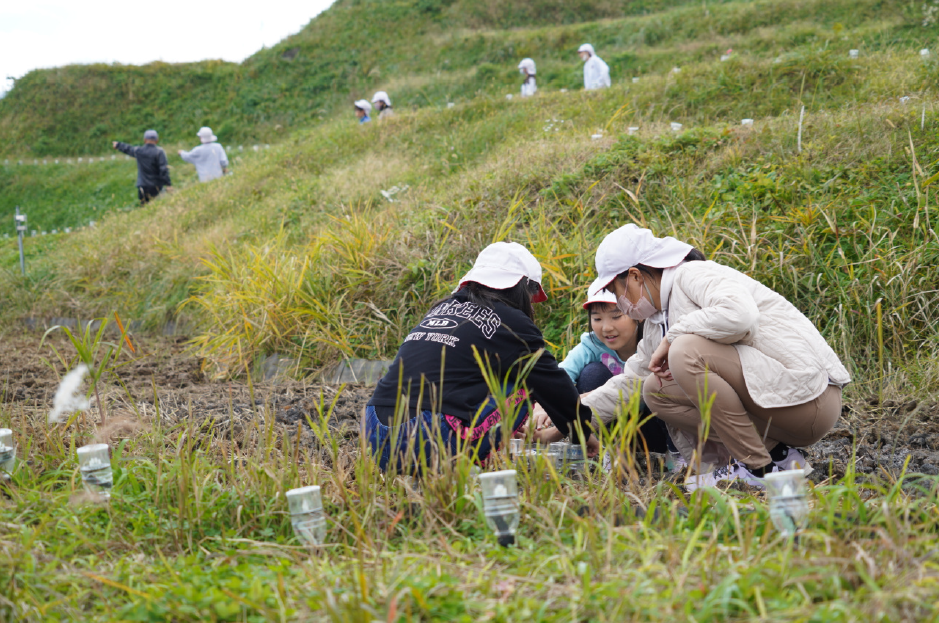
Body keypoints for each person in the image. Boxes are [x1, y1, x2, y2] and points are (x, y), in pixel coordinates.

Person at [581, 224, 851, 490]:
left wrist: (674, 335)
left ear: (636, 276)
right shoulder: (655, 322)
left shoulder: (692, 275)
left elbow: (741, 315)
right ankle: (780, 457)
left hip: (810, 397)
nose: (619, 301)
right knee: (656, 389)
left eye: (616, 290)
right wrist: (570, 417)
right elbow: (632, 381)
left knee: (685, 351)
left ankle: (757, 469)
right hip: (776, 413)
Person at [365, 242, 599, 474]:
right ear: (521, 288)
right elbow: (551, 382)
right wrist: (582, 431)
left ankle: (424, 474)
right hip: (427, 439)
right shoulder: (509, 320)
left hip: (376, 433)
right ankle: (464, 468)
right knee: (524, 385)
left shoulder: (441, 309)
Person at [111, 129, 172, 204]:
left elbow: (128, 149)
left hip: (143, 186)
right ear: (157, 140)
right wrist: (168, 184)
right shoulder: (159, 152)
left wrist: (118, 145)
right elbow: (163, 169)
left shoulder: (139, 151)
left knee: (144, 209)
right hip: (156, 187)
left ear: (145, 140)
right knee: (158, 207)